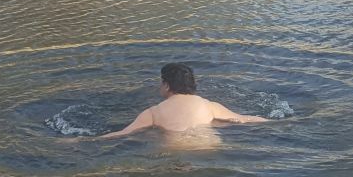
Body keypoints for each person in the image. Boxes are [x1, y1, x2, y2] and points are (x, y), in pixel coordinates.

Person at [99, 63, 272, 139]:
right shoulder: (208, 105)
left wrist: (87, 141)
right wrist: (278, 123)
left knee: (152, 135)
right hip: (209, 148)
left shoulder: (153, 112)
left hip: (173, 150)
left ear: (166, 85)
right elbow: (244, 119)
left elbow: (124, 133)